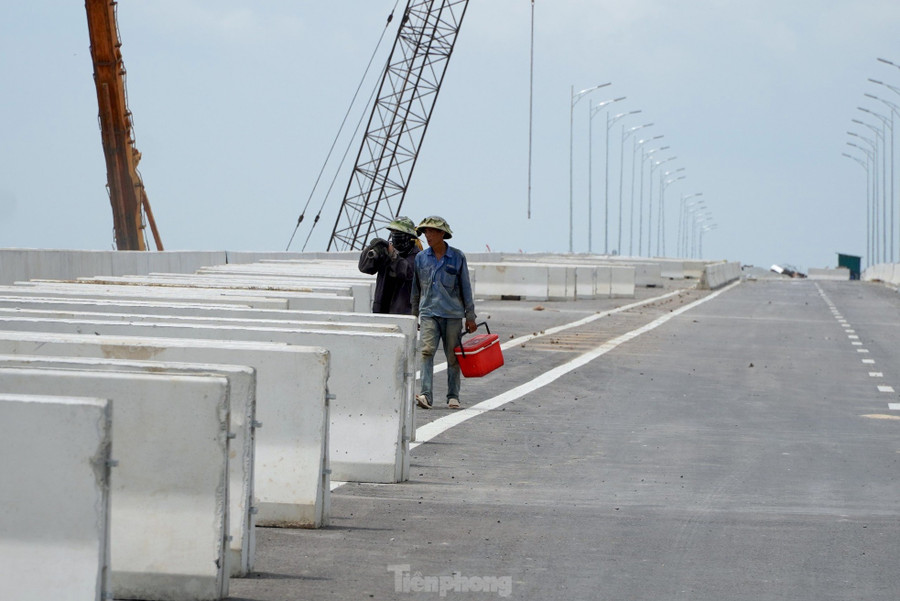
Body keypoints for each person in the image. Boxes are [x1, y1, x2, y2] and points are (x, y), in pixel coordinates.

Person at [410, 215, 476, 410]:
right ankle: (426, 395)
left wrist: (470, 316)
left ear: (442, 234)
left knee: (452, 356)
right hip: (429, 312)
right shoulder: (421, 258)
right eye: (425, 232)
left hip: (453, 314)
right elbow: (416, 289)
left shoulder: (457, 257)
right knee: (427, 352)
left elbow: (465, 288)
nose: (427, 236)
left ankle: (453, 396)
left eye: (431, 231)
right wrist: (414, 316)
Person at [358, 216, 420, 314]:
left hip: (403, 312)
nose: (395, 236)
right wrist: (372, 249)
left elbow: (405, 273)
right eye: (393, 232)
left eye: (398, 233)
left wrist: (393, 256)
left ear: (409, 236)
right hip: (381, 311)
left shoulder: (418, 256)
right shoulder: (387, 253)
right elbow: (364, 267)